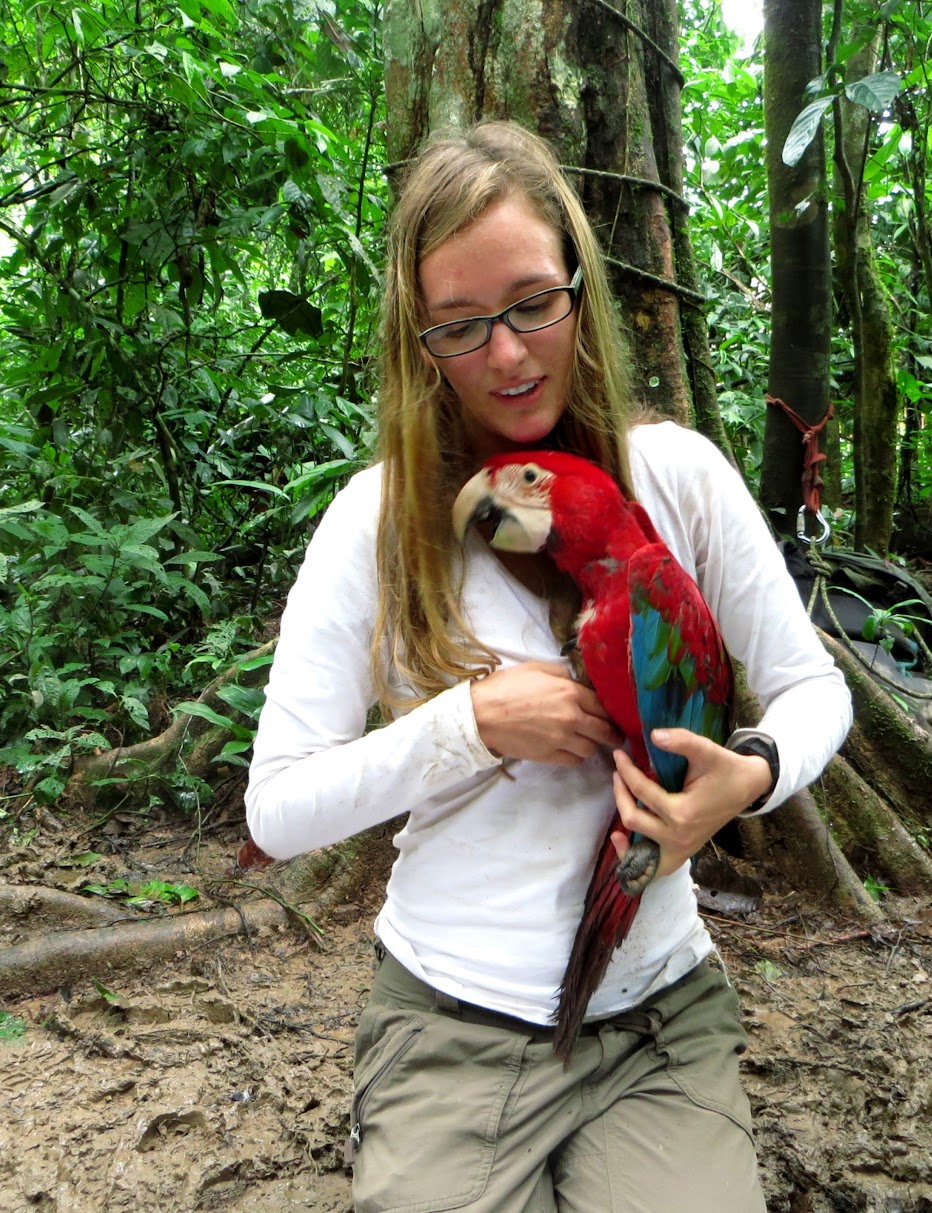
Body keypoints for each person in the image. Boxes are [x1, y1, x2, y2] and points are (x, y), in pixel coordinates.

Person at [246, 120, 852, 1213]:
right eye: (462, 326)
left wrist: (745, 777)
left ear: (578, 284)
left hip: (659, 1014)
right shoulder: (375, 520)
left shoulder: (676, 476)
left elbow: (814, 690)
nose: (510, 355)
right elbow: (277, 811)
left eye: (533, 303)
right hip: (450, 1022)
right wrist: (468, 724)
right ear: (416, 337)